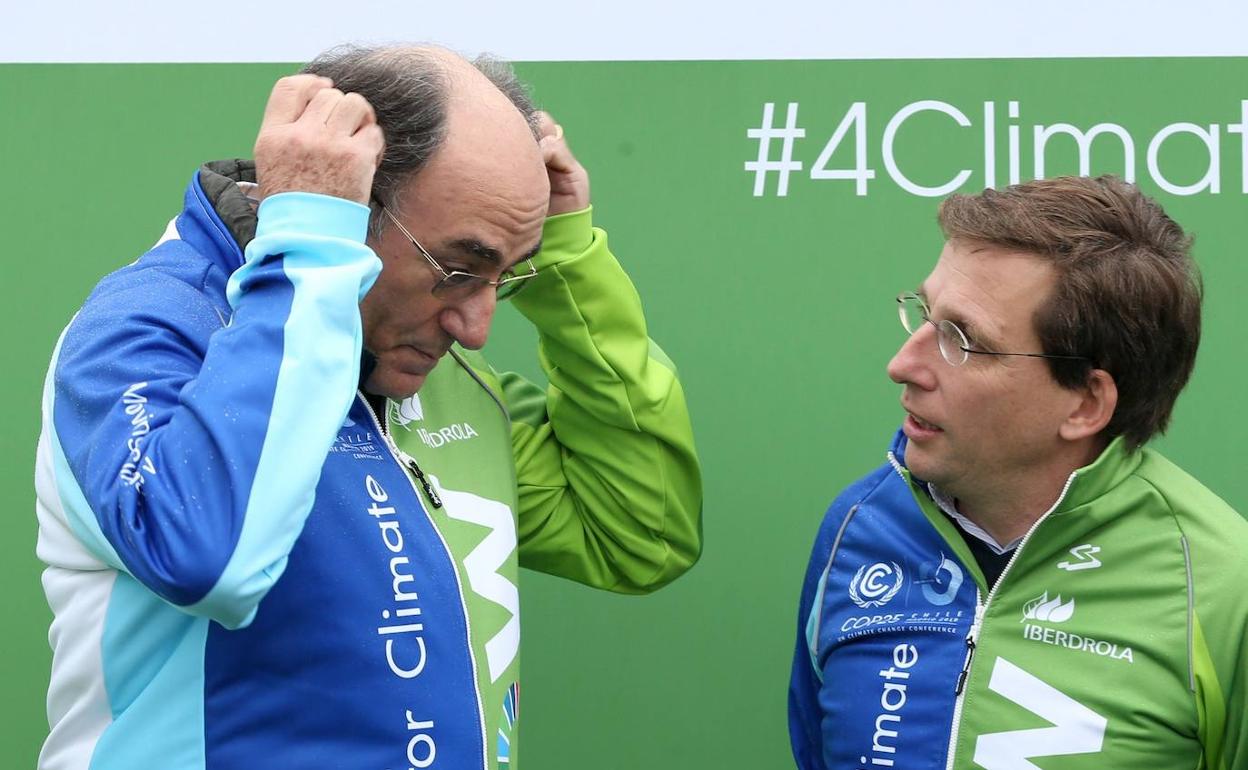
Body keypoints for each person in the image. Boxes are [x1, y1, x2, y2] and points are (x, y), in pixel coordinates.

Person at [35, 44, 701, 769]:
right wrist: (313, 251)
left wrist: (565, 258)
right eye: (457, 270)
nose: (476, 328)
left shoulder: (439, 380)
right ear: (352, 202)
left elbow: (637, 532)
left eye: (503, 278)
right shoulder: (144, 328)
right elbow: (210, 559)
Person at [789, 176, 1246, 769]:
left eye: (963, 340)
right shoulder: (858, 526)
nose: (903, 365)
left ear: (1085, 403)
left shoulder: (1219, 587)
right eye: (924, 314)